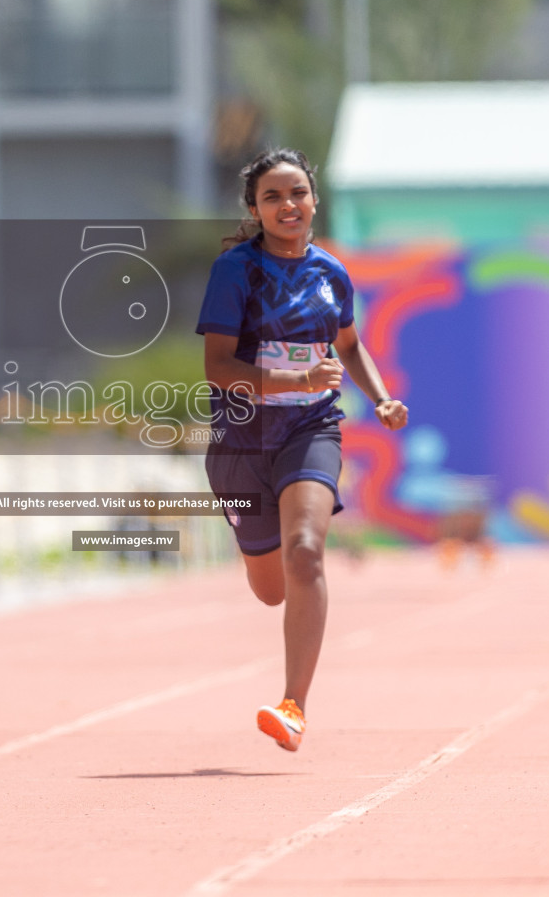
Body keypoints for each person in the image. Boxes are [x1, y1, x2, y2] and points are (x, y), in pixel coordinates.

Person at [197, 148, 408, 752]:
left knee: (307, 552)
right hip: (241, 443)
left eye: (297, 194)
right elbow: (216, 366)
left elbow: (349, 345)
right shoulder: (236, 272)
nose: (287, 205)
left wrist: (383, 397)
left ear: (314, 200)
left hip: (311, 430)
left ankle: (294, 706)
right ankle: (256, 546)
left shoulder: (331, 273)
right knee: (271, 587)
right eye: (272, 197)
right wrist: (291, 379)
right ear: (255, 209)